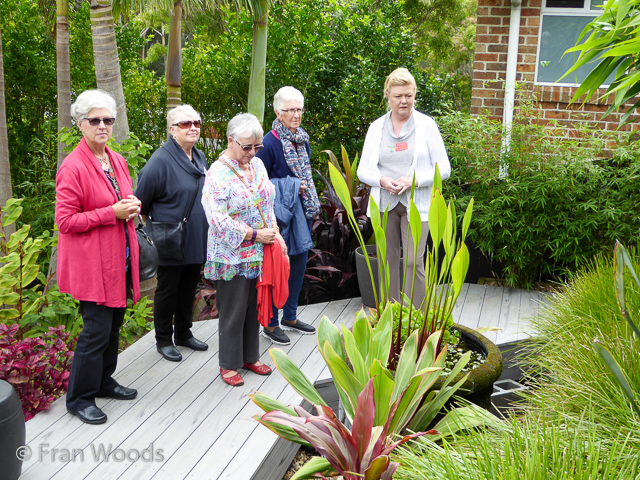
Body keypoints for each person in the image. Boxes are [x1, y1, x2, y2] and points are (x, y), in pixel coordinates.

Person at [56, 89, 141, 425]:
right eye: (95, 120)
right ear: (81, 124)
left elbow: (122, 199)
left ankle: (104, 382)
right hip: (93, 266)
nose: (103, 125)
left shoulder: (115, 159)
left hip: (118, 261)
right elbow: (65, 221)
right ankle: (79, 398)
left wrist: (131, 206)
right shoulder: (73, 166)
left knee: (113, 328)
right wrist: (111, 213)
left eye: (108, 119)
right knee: (95, 331)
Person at [202, 113, 287, 386]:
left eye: (257, 147)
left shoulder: (259, 164)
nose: (252, 152)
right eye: (247, 147)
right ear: (231, 141)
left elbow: (267, 203)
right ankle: (228, 363)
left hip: (260, 250)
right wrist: (253, 235)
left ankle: (250, 356)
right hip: (231, 254)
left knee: (253, 306)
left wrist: (274, 233)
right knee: (233, 309)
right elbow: (216, 218)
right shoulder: (217, 172)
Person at [357, 68, 451, 309]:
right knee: (388, 261)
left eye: (409, 95)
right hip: (384, 204)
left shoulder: (427, 126)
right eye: (398, 95)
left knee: (412, 261)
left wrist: (414, 181)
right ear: (387, 95)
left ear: (414, 95)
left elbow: (445, 169)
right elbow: (363, 170)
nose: (404, 101)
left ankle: (416, 317)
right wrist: (382, 181)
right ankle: (392, 316)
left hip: (416, 205)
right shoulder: (376, 128)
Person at [135, 105, 209, 362]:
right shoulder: (160, 160)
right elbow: (140, 202)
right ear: (172, 130)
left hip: (196, 236)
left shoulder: (198, 156)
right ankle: (164, 339)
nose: (193, 128)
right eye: (185, 124)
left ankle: (184, 333)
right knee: (167, 290)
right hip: (170, 238)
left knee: (189, 287)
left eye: (196, 123)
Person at [257, 86, 318, 345]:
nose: (296, 114)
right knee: (278, 266)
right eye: (290, 110)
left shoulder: (301, 139)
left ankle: (290, 316)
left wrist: (300, 188)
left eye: (299, 109)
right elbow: (260, 181)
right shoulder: (268, 142)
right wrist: (292, 185)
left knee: (300, 260)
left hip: (299, 212)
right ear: (277, 112)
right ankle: (270, 323)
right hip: (275, 216)